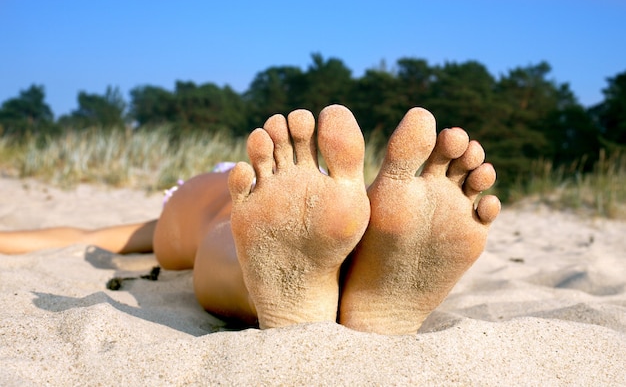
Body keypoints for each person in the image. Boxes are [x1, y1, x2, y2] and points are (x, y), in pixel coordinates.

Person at [0, 105, 500, 335]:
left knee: (221, 225)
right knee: (229, 214)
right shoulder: (270, 180)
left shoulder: (218, 189)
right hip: (268, 190)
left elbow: (78, 237)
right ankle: (354, 280)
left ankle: (256, 279)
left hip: (231, 191)